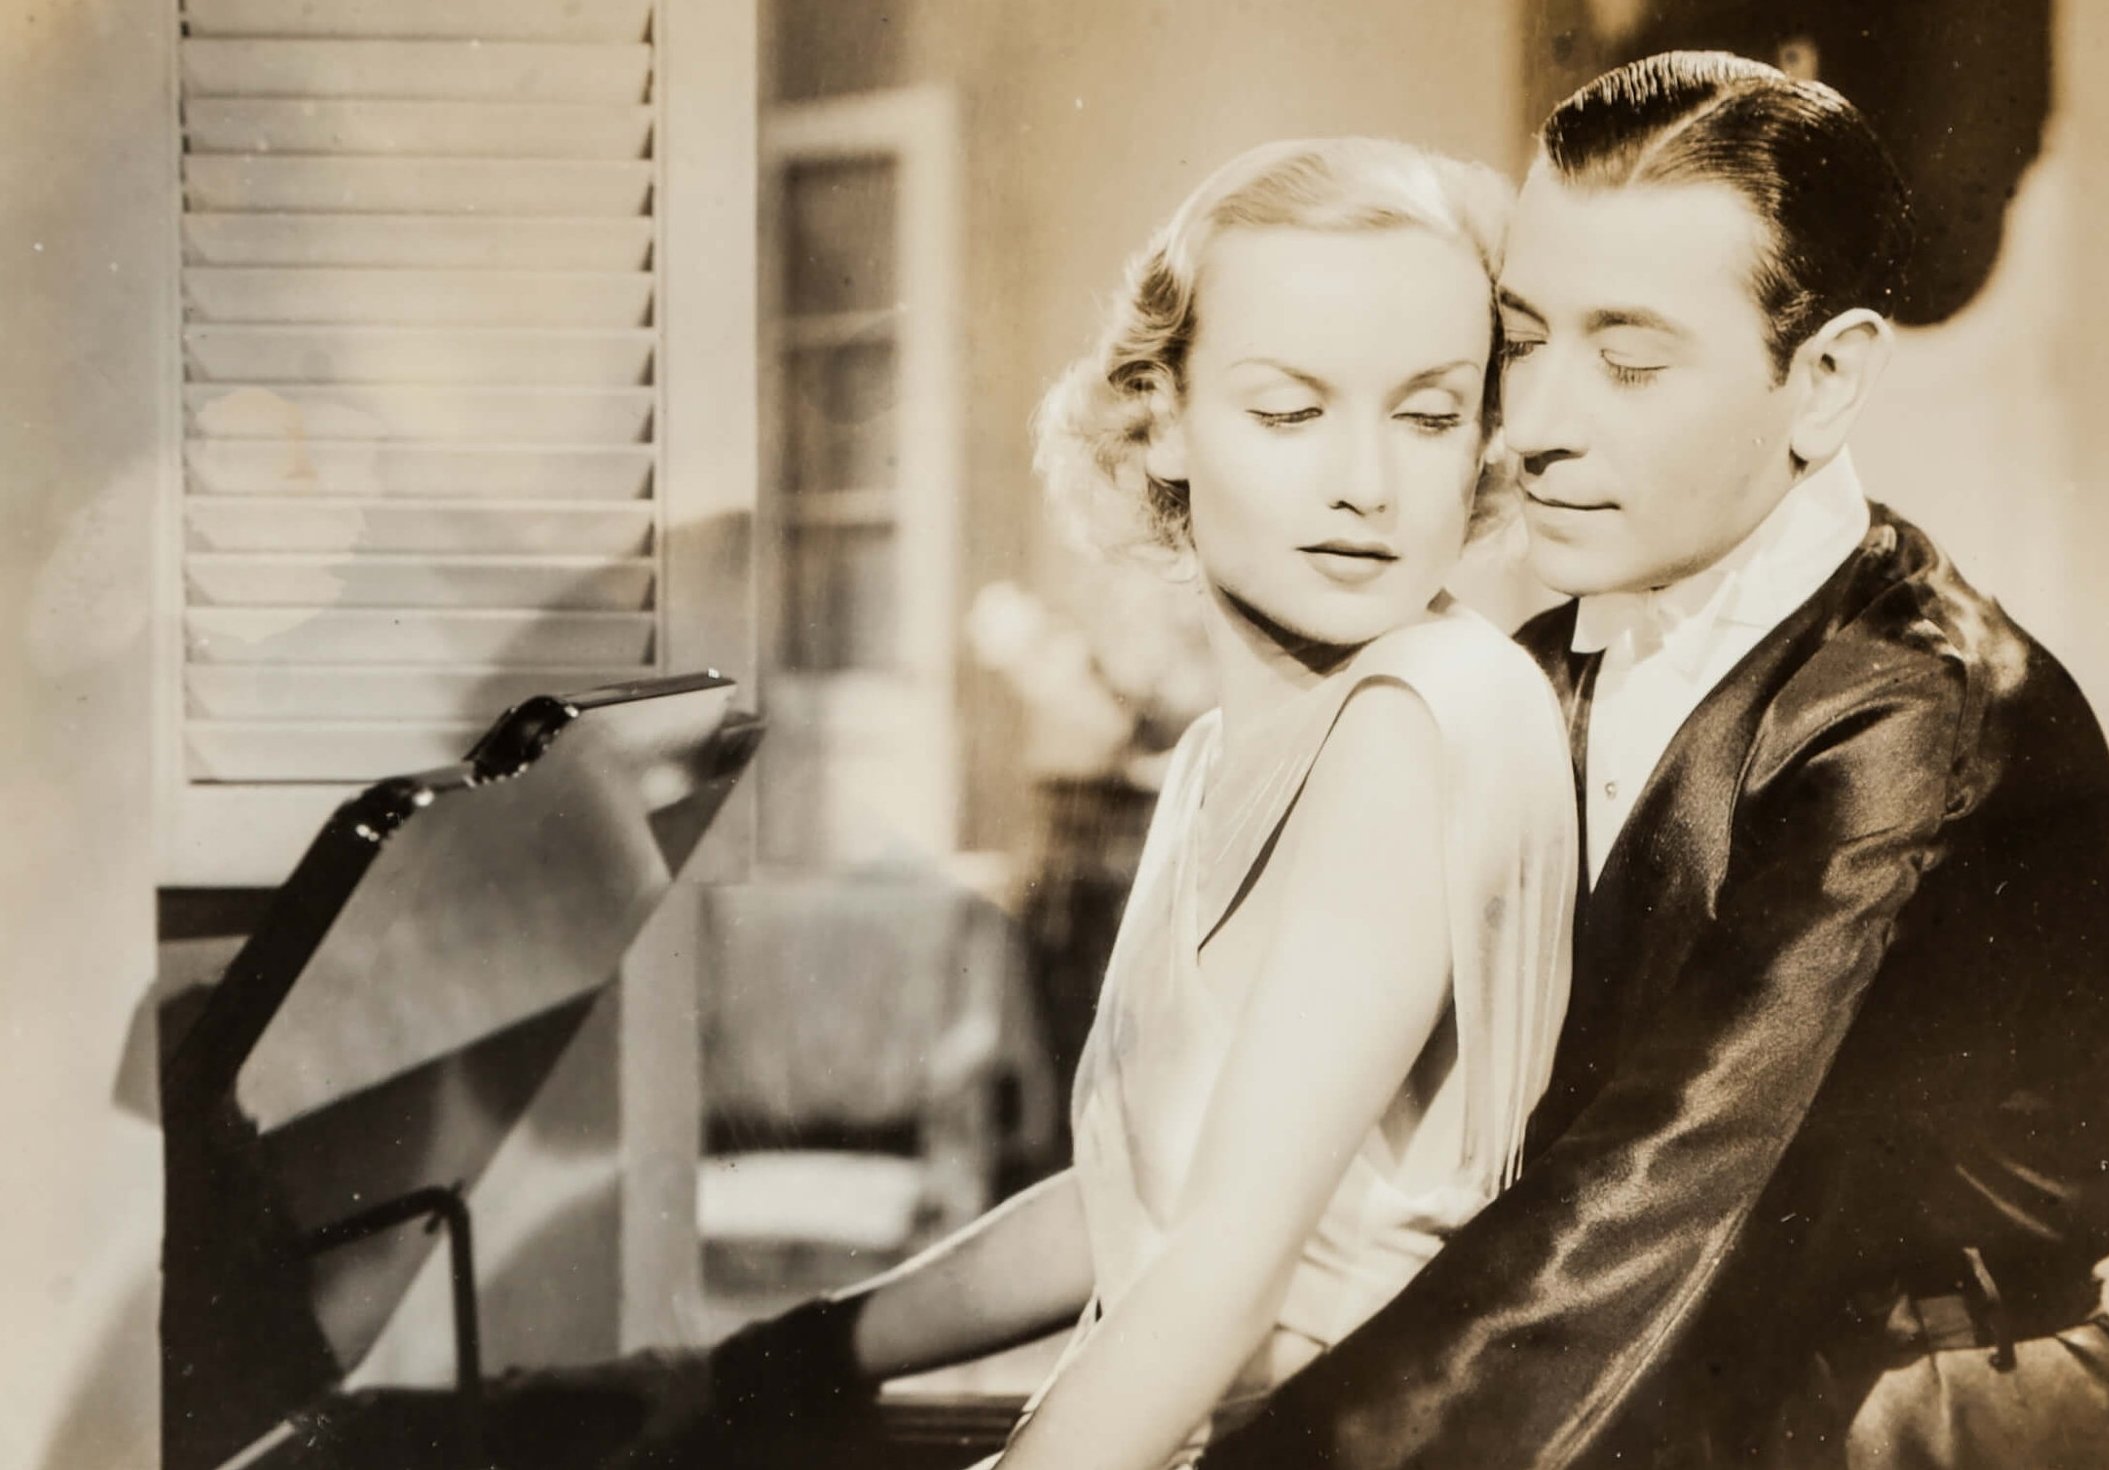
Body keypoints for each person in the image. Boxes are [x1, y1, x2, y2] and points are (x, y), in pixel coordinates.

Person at [1191, 52, 2109, 1469]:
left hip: (1926, 1431)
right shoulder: (1538, 663)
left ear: (1826, 379)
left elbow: (1656, 1190)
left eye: (1628, 360)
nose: (1538, 427)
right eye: (1521, 341)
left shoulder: (1921, 710)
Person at [635, 136, 1579, 1470]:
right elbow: (1133, 1202)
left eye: (1427, 415)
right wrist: (780, 1357)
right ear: (1162, 418)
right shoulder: (1216, 759)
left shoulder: (1419, 715)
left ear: (1483, 435)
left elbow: (1222, 1272)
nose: (1366, 482)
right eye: (1291, 411)